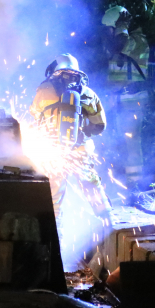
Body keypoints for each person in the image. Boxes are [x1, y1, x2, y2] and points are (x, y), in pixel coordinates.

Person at [29, 54, 111, 226]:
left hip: (53, 150)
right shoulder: (88, 93)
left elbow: (35, 114)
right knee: (91, 183)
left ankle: (54, 229)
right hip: (80, 150)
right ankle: (107, 221)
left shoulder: (44, 90)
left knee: (54, 191)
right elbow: (100, 125)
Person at [100, 6, 151, 192]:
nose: (109, 33)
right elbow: (114, 76)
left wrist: (121, 27)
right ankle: (115, 184)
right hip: (117, 104)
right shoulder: (119, 45)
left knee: (132, 146)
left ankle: (135, 186)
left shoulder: (138, 42)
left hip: (132, 104)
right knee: (114, 143)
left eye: (111, 29)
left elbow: (121, 44)